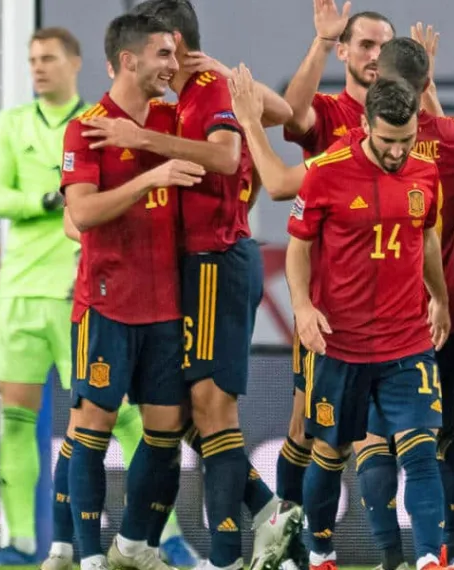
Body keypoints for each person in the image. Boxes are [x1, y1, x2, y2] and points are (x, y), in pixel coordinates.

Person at [80, 2, 302, 570]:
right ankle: (148, 540)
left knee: (210, 410)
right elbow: (279, 114)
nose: (157, 59)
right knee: (175, 414)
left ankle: (226, 556)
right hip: (191, 268)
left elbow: (228, 155)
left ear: (174, 44)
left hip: (214, 263)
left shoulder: (205, 89)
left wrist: (147, 139)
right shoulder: (185, 97)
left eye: (161, 47)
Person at [0, 26, 193, 567]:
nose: (37, 67)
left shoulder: (148, 120)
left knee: (132, 425)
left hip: (116, 293)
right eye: (32, 59)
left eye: (48, 58)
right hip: (38, 292)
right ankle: (31, 544)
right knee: (39, 421)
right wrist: (53, 200)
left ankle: (155, 539)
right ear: (126, 61)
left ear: (75, 63)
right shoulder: (34, 125)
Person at [286, 76, 452, 570]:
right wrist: (302, 308)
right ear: (364, 125)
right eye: (388, 141)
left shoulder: (425, 171)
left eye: (407, 140)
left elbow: (427, 239)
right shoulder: (326, 171)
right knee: (330, 451)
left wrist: (440, 299)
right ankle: (320, 552)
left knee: (420, 450)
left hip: (407, 339)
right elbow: (298, 247)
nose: (398, 152)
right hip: (341, 342)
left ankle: (429, 559)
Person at [59, 12, 205, 570]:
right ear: (128, 60)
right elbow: (81, 213)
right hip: (107, 305)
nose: (173, 64)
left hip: (166, 308)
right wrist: (150, 177)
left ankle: (133, 546)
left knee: (165, 436)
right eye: (163, 54)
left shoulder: (172, 120)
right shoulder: (88, 128)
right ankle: (88, 557)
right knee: (92, 429)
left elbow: (229, 148)